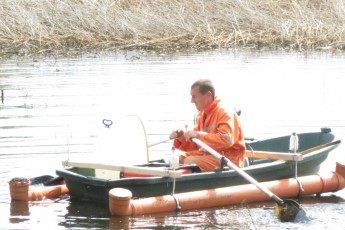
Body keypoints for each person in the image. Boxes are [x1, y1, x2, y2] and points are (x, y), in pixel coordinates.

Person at [169, 79, 246, 172]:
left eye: (195, 96)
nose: (191, 101)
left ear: (208, 95)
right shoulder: (203, 114)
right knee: (177, 159)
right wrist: (181, 137)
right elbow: (197, 144)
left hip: (230, 160)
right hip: (210, 155)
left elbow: (226, 140)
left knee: (190, 161)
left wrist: (197, 135)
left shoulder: (224, 112)